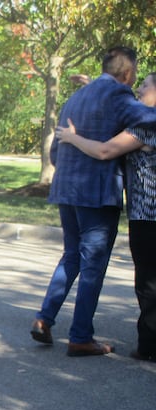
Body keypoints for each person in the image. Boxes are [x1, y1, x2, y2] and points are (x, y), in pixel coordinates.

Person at [31, 46, 156, 356]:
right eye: (135, 78)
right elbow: (151, 117)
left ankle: (44, 320)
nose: (136, 85)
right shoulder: (119, 96)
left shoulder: (75, 98)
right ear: (127, 74)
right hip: (97, 194)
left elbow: (56, 153)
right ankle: (80, 336)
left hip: (66, 189)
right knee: (93, 267)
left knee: (71, 256)